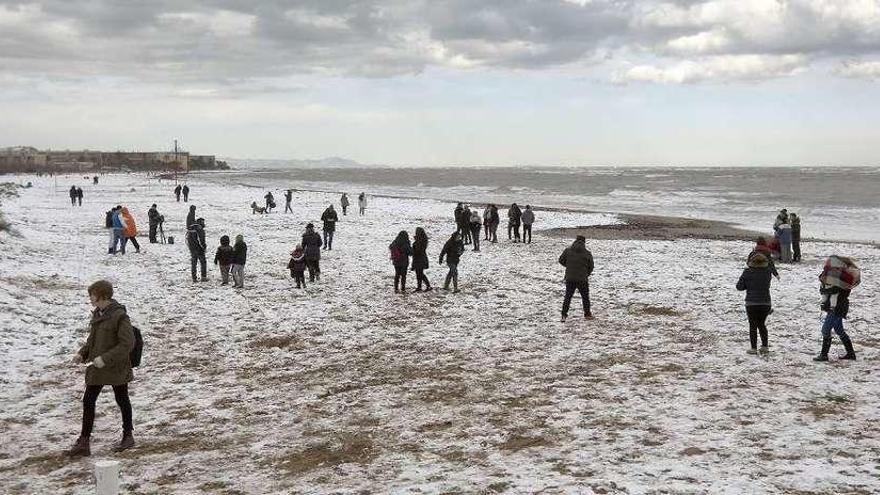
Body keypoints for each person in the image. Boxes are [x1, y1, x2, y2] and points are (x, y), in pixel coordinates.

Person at [65, 280, 136, 457]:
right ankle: (84, 441)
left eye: (92, 295)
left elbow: (128, 343)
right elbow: (92, 340)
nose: (90, 298)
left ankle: (128, 435)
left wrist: (105, 359)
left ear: (102, 295)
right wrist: (82, 354)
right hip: (98, 367)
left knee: (122, 399)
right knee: (88, 401)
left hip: (116, 367)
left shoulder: (120, 316)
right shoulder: (98, 313)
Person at [814, 256, 859, 362]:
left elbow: (835, 289)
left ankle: (824, 355)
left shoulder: (844, 277)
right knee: (839, 330)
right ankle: (850, 353)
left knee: (825, 329)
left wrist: (825, 289)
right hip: (838, 306)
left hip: (837, 307)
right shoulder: (839, 276)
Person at [736, 251, 773, 354]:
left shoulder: (747, 272)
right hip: (765, 302)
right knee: (761, 324)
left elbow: (739, 287)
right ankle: (765, 346)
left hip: (751, 303)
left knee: (752, 325)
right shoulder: (767, 272)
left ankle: (753, 348)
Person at [558, 235, 594, 321]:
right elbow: (591, 266)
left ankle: (563, 315)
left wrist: (569, 267)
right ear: (584, 243)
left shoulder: (567, 251)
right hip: (582, 279)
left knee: (568, 297)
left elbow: (561, 260)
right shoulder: (587, 253)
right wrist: (586, 274)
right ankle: (587, 314)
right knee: (585, 297)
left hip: (570, 278)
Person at [186, 218, 207, 282]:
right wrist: (204, 247)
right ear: (200, 222)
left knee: (194, 264)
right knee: (203, 263)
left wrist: (190, 248)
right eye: (203, 222)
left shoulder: (190, 229)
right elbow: (201, 240)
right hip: (199, 249)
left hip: (192, 249)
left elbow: (187, 240)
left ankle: (194, 277)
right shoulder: (200, 229)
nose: (204, 223)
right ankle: (203, 277)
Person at [411, 227, 432, 292]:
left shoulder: (421, 241)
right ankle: (420, 286)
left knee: (420, 273)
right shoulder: (423, 240)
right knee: (419, 273)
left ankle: (426, 286)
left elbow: (418, 249)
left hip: (419, 259)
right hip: (420, 258)